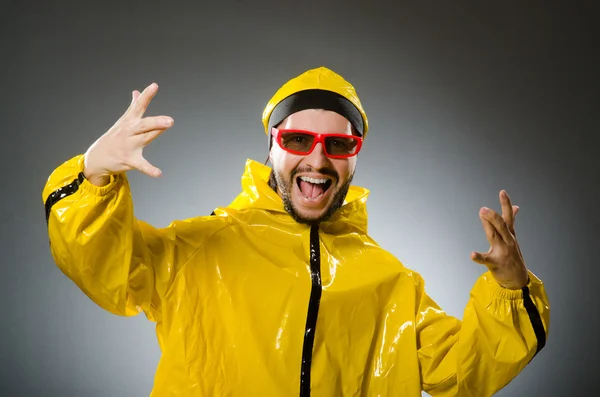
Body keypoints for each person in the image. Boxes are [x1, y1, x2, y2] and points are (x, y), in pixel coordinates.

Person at [42, 67, 550, 397]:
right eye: (299, 138)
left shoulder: (392, 283)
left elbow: (461, 373)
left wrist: (509, 289)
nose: (317, 158)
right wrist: (93, 175)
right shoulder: (197, 251)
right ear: (272, 146)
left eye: (339, 144)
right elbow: (103, 266)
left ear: (356, 157)